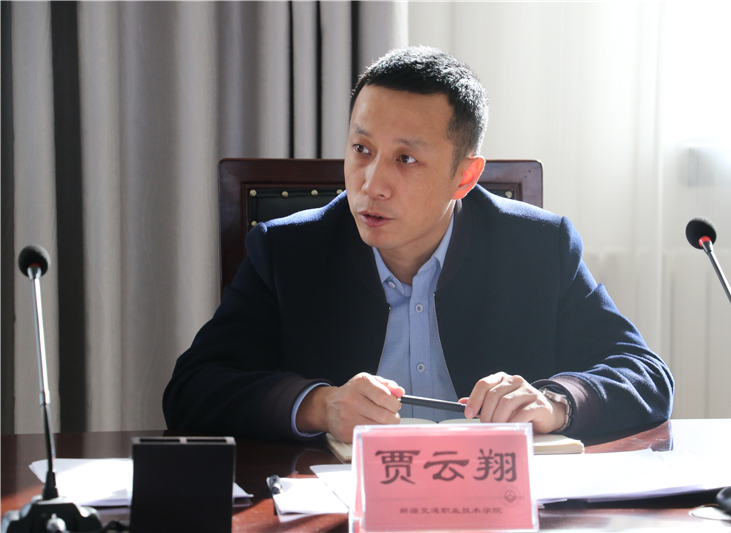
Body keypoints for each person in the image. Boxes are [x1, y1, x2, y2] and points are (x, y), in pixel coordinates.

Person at [163, 46, 673, 444]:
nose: (371, 184)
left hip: (493, 505)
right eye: (361, 149)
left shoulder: (538, 246)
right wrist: (320, 406)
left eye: (405, 159)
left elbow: (645, 373)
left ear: (464, 177)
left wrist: (555, 402)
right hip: (342, 505)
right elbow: (193, 388)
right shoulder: (288, 250)